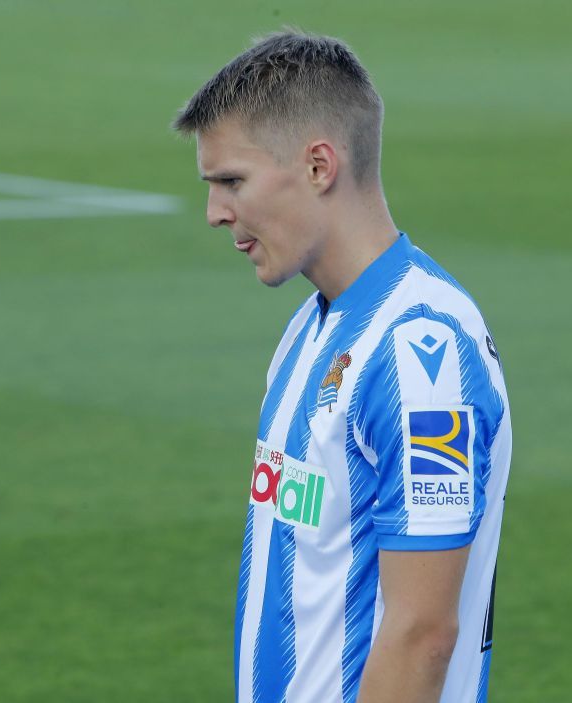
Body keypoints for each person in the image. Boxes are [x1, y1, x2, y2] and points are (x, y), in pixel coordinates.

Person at [172, 30, 511, 703]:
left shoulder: (423, 355)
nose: (215, 213)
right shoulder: (312, 324)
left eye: (232, 181)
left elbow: (423, 634)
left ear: (320, 166)